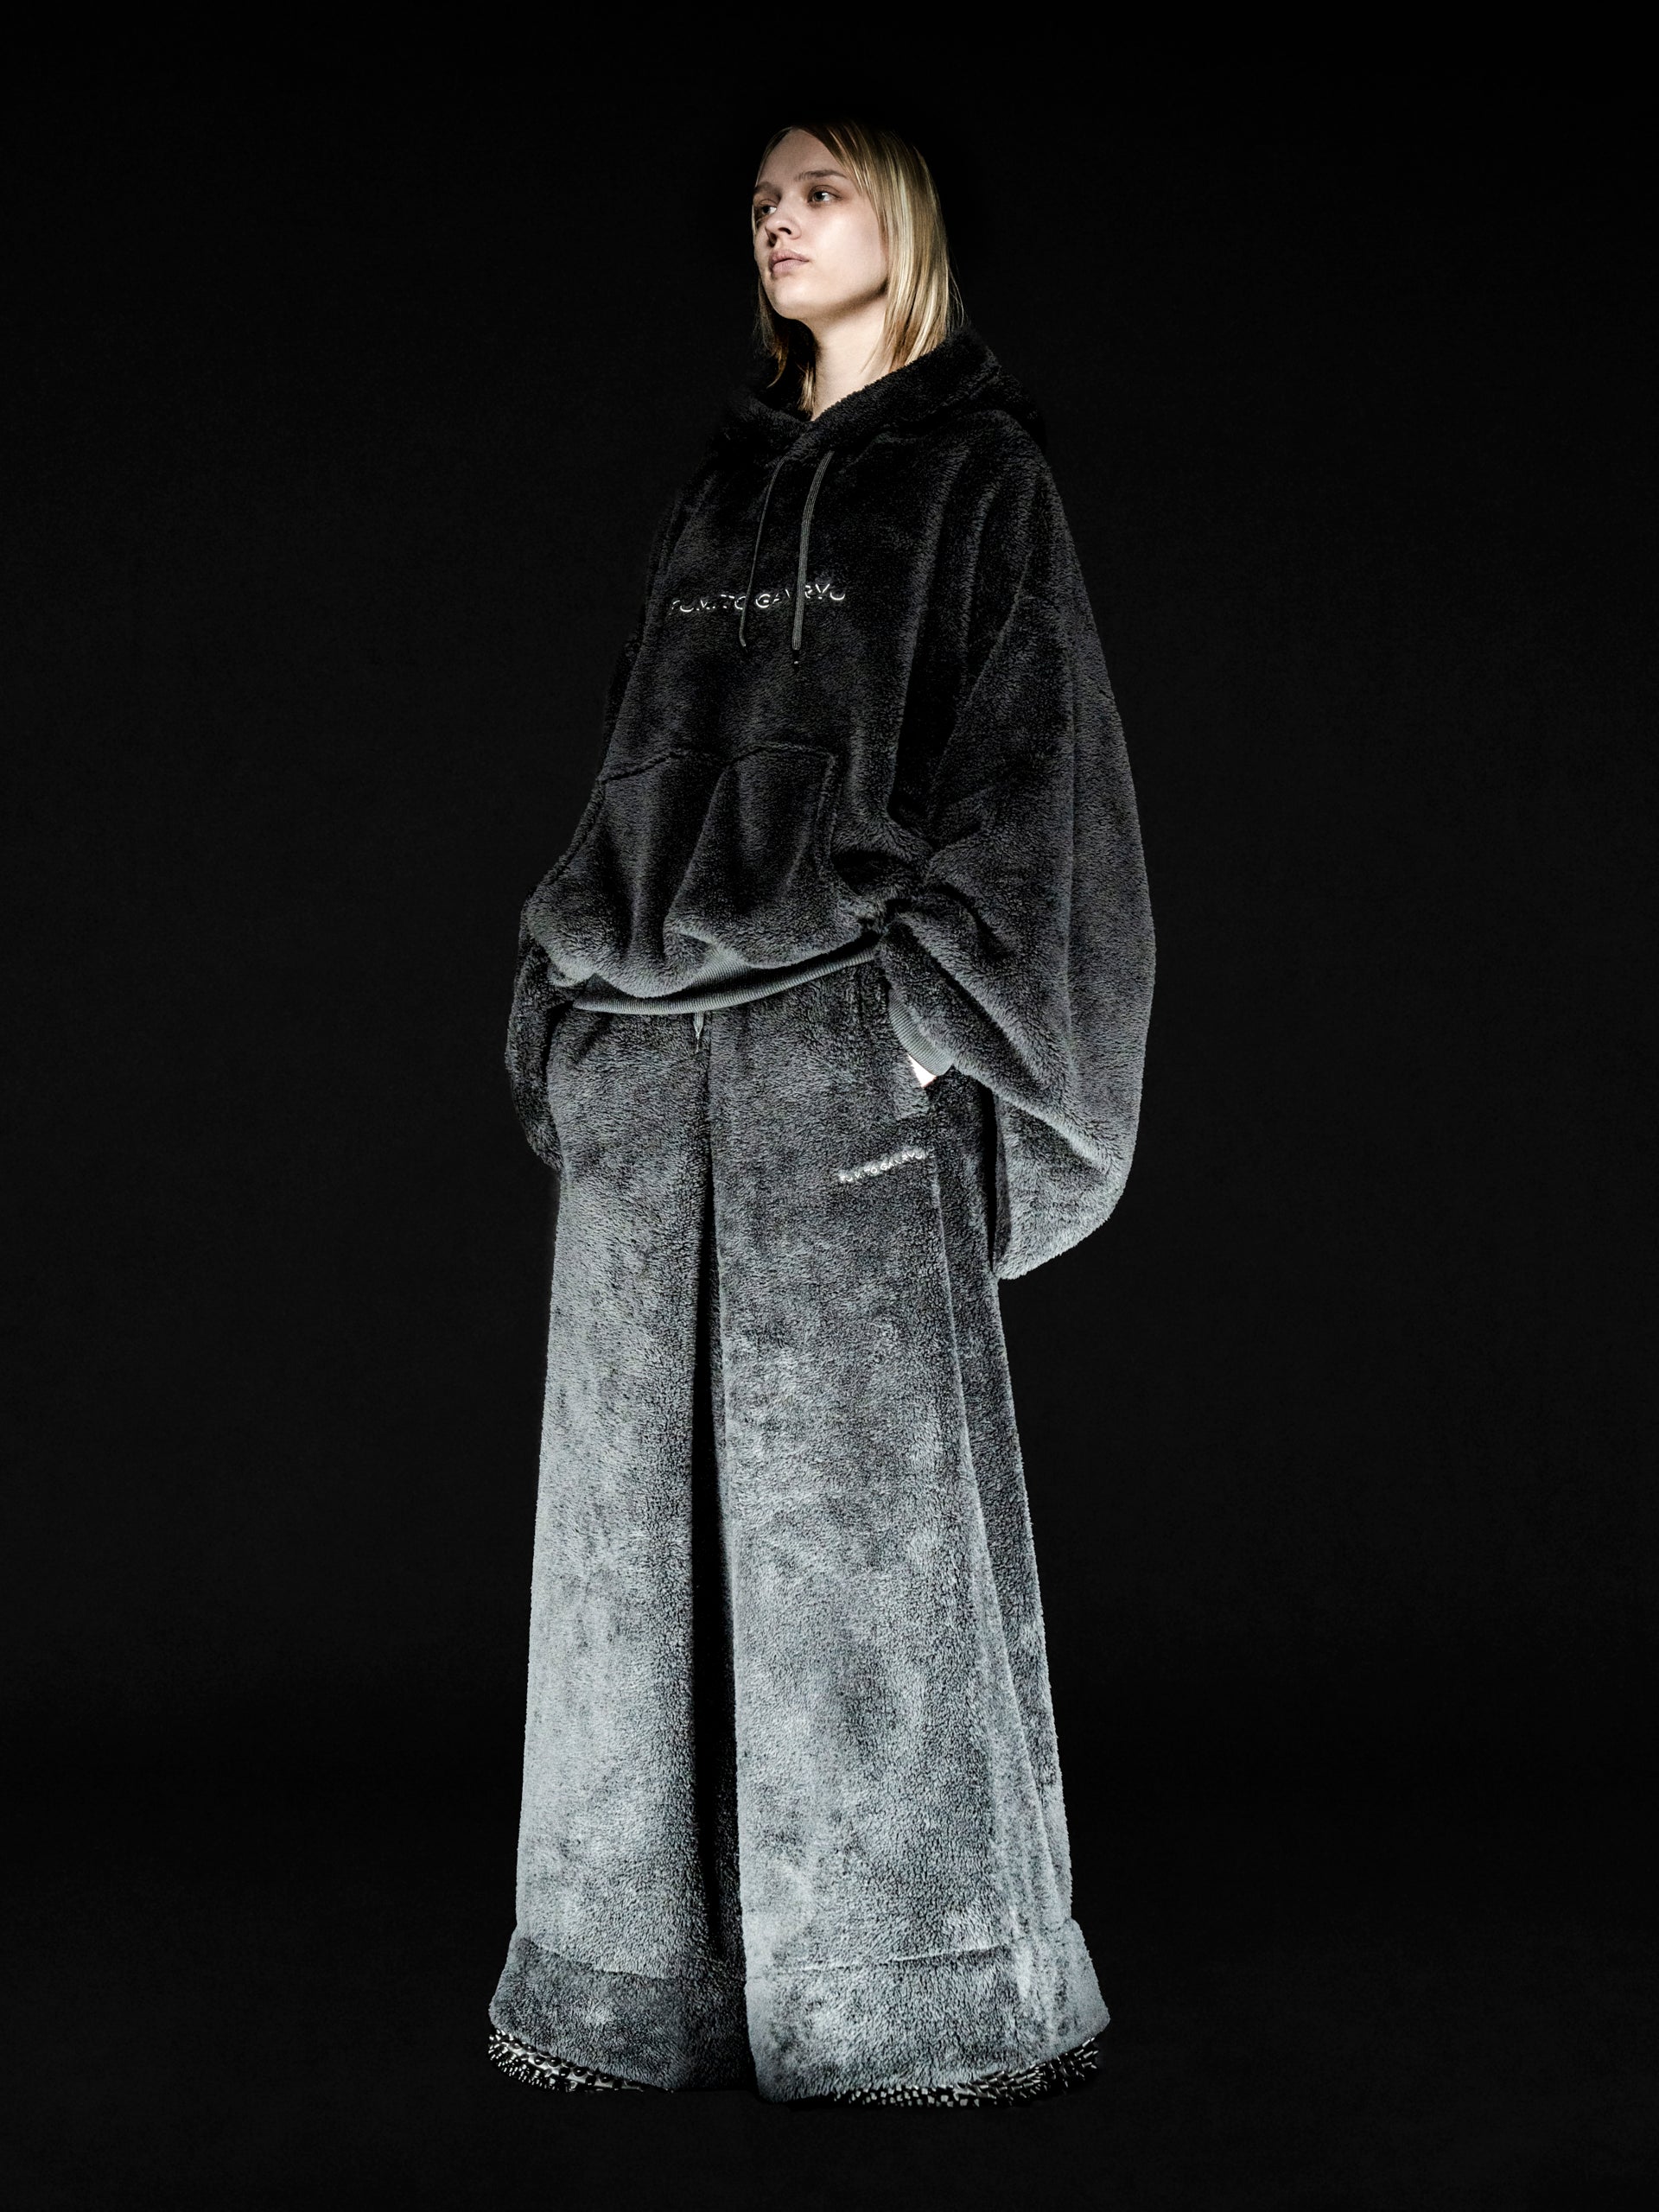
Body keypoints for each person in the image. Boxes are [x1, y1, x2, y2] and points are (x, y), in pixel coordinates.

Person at [486, 117, 1154, 2107]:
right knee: (625, 1571)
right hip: (643, 1064)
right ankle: (626, 1993)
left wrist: (922, 1016)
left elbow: (1042, 769)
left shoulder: (976, 475)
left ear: (905, 216)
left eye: (822, 190)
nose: (780, 219)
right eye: (768, 201)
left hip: (841, 1055)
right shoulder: (714, 489)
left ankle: (919, 2007)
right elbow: (630, 756)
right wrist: (567, 1008)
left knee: (874, 1555)